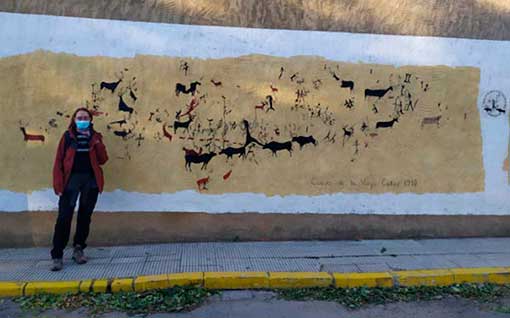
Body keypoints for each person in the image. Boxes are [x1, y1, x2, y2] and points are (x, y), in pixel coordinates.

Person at [50, 107, 108, 271]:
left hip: (90, 181)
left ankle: (78, 249)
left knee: (85, 216)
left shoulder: (95, 137)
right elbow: (59, 162)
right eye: (79, 118)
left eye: (85, 118)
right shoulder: (68, 137)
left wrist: (97, 144)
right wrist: (58, 184)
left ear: (90, 120)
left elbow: (103, 160)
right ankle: (57, 255)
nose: (82, 120)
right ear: (74, 120)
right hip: (71, 181)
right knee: (64, 217)